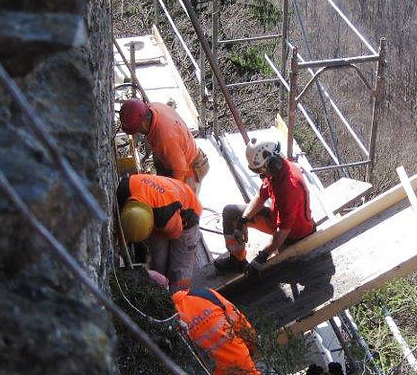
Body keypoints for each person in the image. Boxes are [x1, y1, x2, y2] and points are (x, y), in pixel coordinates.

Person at [213, 136, 316, 274]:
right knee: (230, 212)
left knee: (275, 273)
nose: (261, 175)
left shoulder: (290, 187)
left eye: (261, 170)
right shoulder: (274, 172)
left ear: (271, 163)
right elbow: (261, 196)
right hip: (278, 221)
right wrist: (243, 220)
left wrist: (261, 258)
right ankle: (237, 260)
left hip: (293, 235)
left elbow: (283, 231)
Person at [146, 271, 262, 375]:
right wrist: (249, 354)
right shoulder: (206, 295)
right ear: (167, 284)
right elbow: (244, 329)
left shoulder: (163, 323)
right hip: (245, 374)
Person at [117, 173, 202, 291]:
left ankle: (177, 296)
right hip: (162, 201)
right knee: (158, 260)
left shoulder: (165, 217)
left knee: (179, 267)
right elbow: (125, 225)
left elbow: (175, 234)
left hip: (188, 213)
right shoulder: (123, 190)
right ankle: (158, 287)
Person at [119, 99, 209, 193]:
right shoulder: (153, 107)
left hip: (189, 170)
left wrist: (173, 194)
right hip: (176, 158)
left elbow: (180, 170)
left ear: (144, 122)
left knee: (183, 204)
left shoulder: (165, 137)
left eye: (138, 129)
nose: (138, 133)